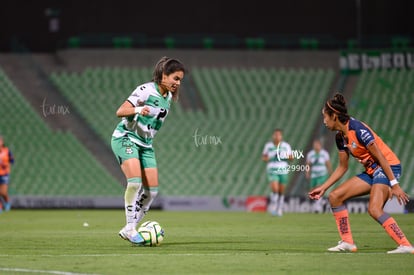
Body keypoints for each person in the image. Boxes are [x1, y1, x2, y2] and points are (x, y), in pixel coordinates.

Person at [308, 92, 413, 254]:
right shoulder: (340, 138)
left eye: (325, 117)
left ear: (334, 116)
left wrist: (395, 185)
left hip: (388, 167)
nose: (324, 121)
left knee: (374, 209)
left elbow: (381, 158)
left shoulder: (358, 130)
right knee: (335, 197)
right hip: (373, 171)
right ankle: (348, 242)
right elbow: (343, 167)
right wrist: (323, 188)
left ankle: (406, 245)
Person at [111, 56, 186, 245]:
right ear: (164, 75)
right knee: (135, 183)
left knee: (152, 191)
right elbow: (120, 111)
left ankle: (130, 227)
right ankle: (130, 228)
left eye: (180, 80)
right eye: (175, 78)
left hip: (146, 146)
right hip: (126, 138)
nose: (178, 83)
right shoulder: (145, 90)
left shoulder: (167, 98)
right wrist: (138, 109)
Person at [262, 128, 293, 216]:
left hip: (283, 169)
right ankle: (274, 205)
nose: (277, 136)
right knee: (275, 188)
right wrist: (271, 156)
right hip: (272, 169)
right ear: (273, 136)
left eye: (278, 135)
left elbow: (291, 158)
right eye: (275, 135)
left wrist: (283, 155)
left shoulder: (286, 146)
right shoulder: (268, 146)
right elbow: (264, 158)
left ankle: (279, 209)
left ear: (281, 136)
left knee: (281, 191)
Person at [305, 139, 332, 213]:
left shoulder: (324, 153)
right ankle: (321, 202)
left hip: (322, 174)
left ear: (320, 145)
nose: (316, 146)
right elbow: (308, 164)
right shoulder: (310, 154)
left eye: (317, 144)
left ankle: (317, 206)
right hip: (314, 175)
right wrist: (307, 173)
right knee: (313, 190)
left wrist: (330, 173)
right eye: (314, 144)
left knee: (318, 187)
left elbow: (328, 164)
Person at [0, 135, 14, 213]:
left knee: (3, 192)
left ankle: (7, 201)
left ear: (2, 142)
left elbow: (12, 161)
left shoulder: (7, 151)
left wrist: (5, 164)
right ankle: (0, 207)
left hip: (4, 174)